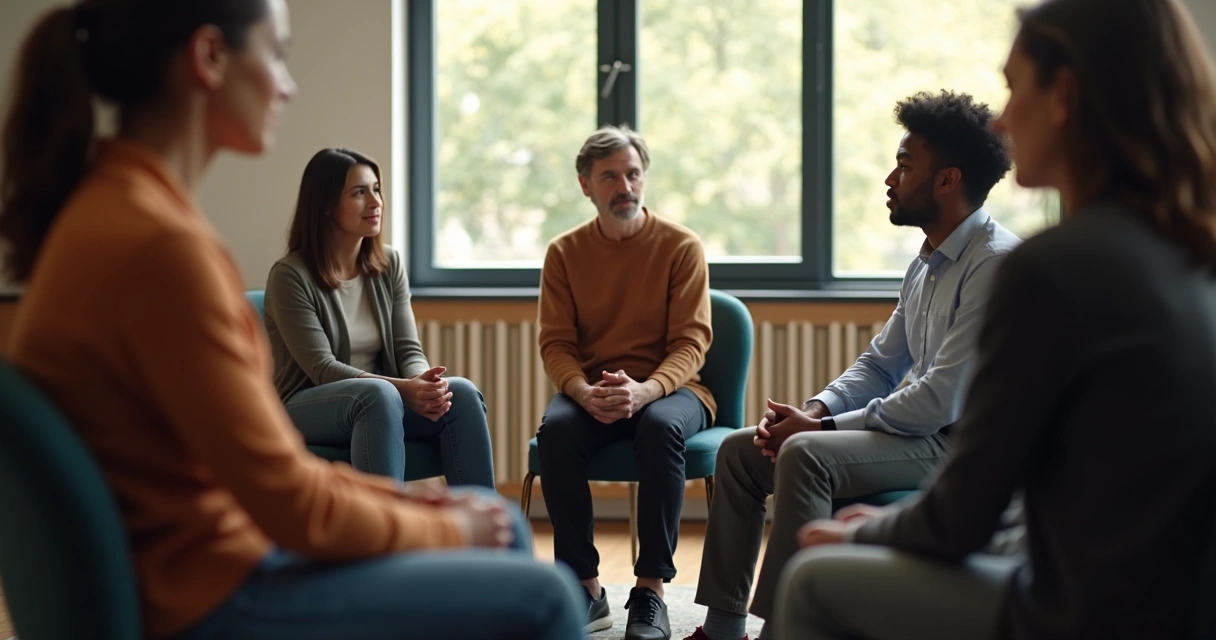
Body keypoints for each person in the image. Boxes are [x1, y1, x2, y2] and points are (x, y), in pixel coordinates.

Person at [0, 2, 582, 639]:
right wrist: (444, 526)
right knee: (544, 596)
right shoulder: (161, 249)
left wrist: (416, 505)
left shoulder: (118, 212)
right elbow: (287, 501)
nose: (288, 83)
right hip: (206, 595)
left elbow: (268, 476)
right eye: (276, 54)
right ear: (210, 59)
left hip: (205, 563)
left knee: (496, 526)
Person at [777, 1, 1216, 639]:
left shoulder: (1050, 268)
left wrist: (865, 529)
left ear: (1063, 95)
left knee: (812, 578)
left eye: (1014, 89)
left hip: (1082, 610)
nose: (1004, 122)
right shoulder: (1189, 253)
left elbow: (962, 516)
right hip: (1174, 603)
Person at [688, 90, 1019, 640]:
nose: (890, 179)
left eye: (905, 165)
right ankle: (722, 628)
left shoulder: (995, 264)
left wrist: (818, 429)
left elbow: (941, 399)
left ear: (947, 180)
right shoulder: (927, 260)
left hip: (959, 446)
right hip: (916, 434)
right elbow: (880, 363)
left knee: (808, 454)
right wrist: (814, 408)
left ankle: (787, 628)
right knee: (740, 452)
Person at [537, 124, 714, 640]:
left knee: (660, 428)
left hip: (673, 391)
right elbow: (557, 345)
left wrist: (645, 390)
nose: (625, 187)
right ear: (585, 185)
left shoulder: (681, 246)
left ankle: (651, 591)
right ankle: (586, 588)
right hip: (593, 392)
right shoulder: (564, 252)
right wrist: (583, 392)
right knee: (557, 431)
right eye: (610, 177)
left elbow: (691, 343)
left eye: (633, 174)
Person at [264, 147, 494, 486]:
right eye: (359, 192)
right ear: (326, 205)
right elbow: (322, 368)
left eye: (376, 189)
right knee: (379, 394)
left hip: (378, 402)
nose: (375, 202)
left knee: (460, 393)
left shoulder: (388, 265)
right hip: (304, 405)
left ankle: (484, 530)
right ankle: (386, 534)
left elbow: (407, 349)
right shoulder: (290, 276)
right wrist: (404, 389)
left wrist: (424, 384)